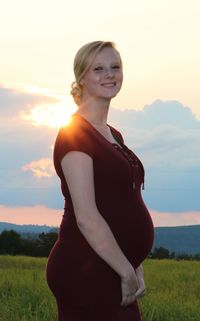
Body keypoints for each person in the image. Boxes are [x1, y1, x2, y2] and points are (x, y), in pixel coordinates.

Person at [46, 41, 154, 321]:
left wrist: (135, 262)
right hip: (85, 269)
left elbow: (120, 203)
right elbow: (87, 217)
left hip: (112, 265)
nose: (109, 74)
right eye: (99, 69)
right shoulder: (75, 133)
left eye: (115, 67)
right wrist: (125, 270)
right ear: (82, 77)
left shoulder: (112, 134)